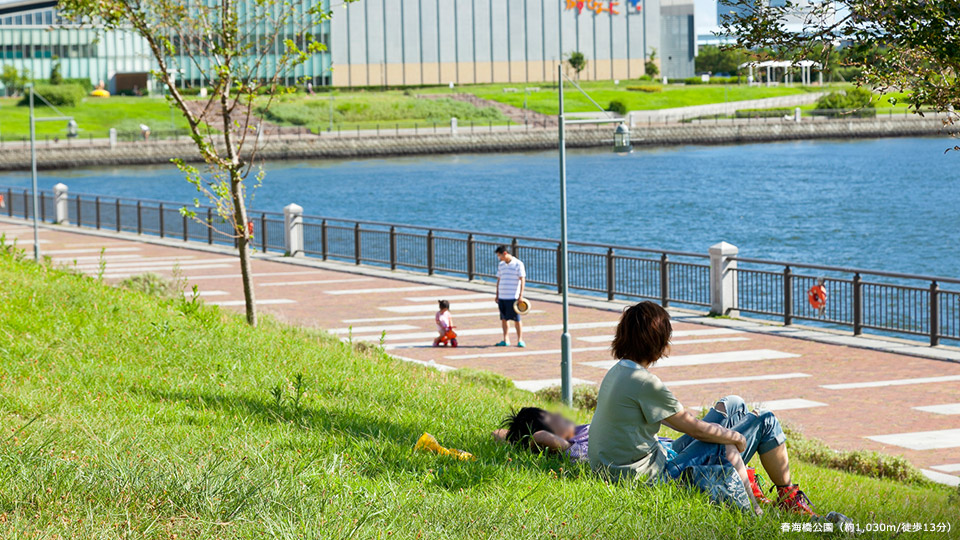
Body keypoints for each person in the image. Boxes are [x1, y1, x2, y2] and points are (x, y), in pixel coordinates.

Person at [587, 301, 816, 516]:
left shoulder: (619, 372)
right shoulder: (644, 382)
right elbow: (695, 429)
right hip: (654, 477)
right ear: (659, 342)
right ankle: (788, 498)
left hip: (624, 470)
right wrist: (734, 436)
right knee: (764, 420)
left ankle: (752, 482)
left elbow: (680, 422)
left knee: (733, 404)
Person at [493, 407, 589, 462]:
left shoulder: (578, 431)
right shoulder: (571, 449)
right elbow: (541, 436)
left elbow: (498, 432)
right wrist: (528, 448)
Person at [494, 245, 525, 347]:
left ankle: (520, 339)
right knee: (504, 319)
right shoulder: (501, 265)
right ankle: (505, 339)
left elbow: (522, 279)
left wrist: (521, 295)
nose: (499, 258)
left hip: (513, 296)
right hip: (503, 296)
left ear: (505, 253)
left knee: (517, 319)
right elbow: (499, 279)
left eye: (500, 256)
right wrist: (497, 294)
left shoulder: (518, 264)